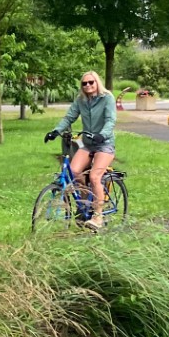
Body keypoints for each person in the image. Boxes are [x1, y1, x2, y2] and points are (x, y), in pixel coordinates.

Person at [45, 70, 117, 229]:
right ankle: (85, 205)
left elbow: (110, 120)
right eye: (84, 83)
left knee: (94, 176)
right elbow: (69, 117)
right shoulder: (81, 100)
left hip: (104, 143)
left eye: (91, 82)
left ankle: (98, 216)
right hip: (88, 144)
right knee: (74, 172)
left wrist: (102, 135)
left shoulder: (107, 98)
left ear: (97, 82)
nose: (88, 85)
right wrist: (55, 131)